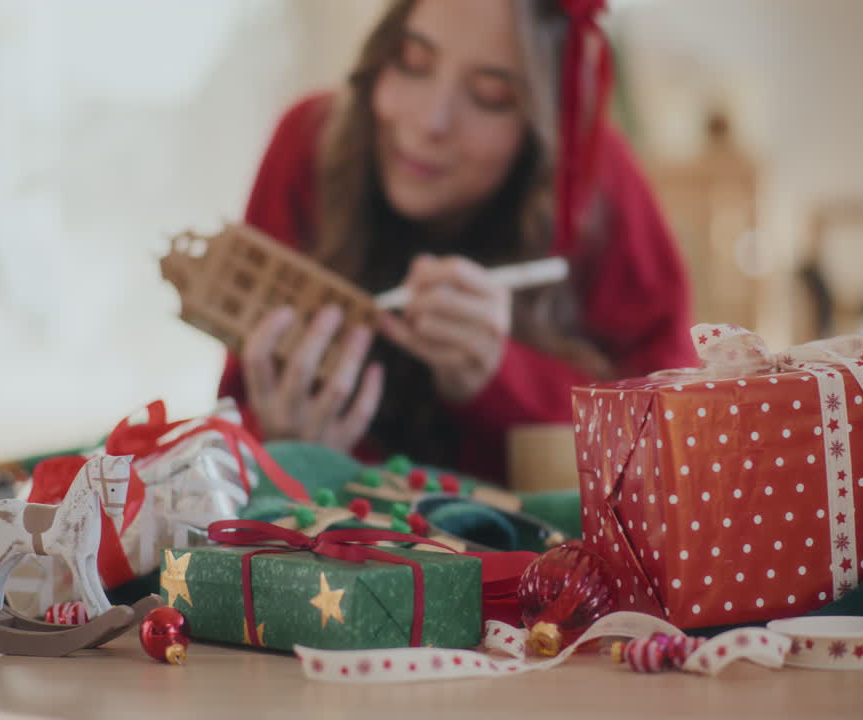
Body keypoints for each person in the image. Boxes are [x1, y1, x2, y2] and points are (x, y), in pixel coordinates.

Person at [218, 0, 696, 484]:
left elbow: (670, 442)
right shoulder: (306, 148)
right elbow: (230, 422)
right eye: (412, 62)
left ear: (543, 123)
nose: (431, 122)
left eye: (490, 95)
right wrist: (280, 442)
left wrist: (501, 376)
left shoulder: (593, 183)